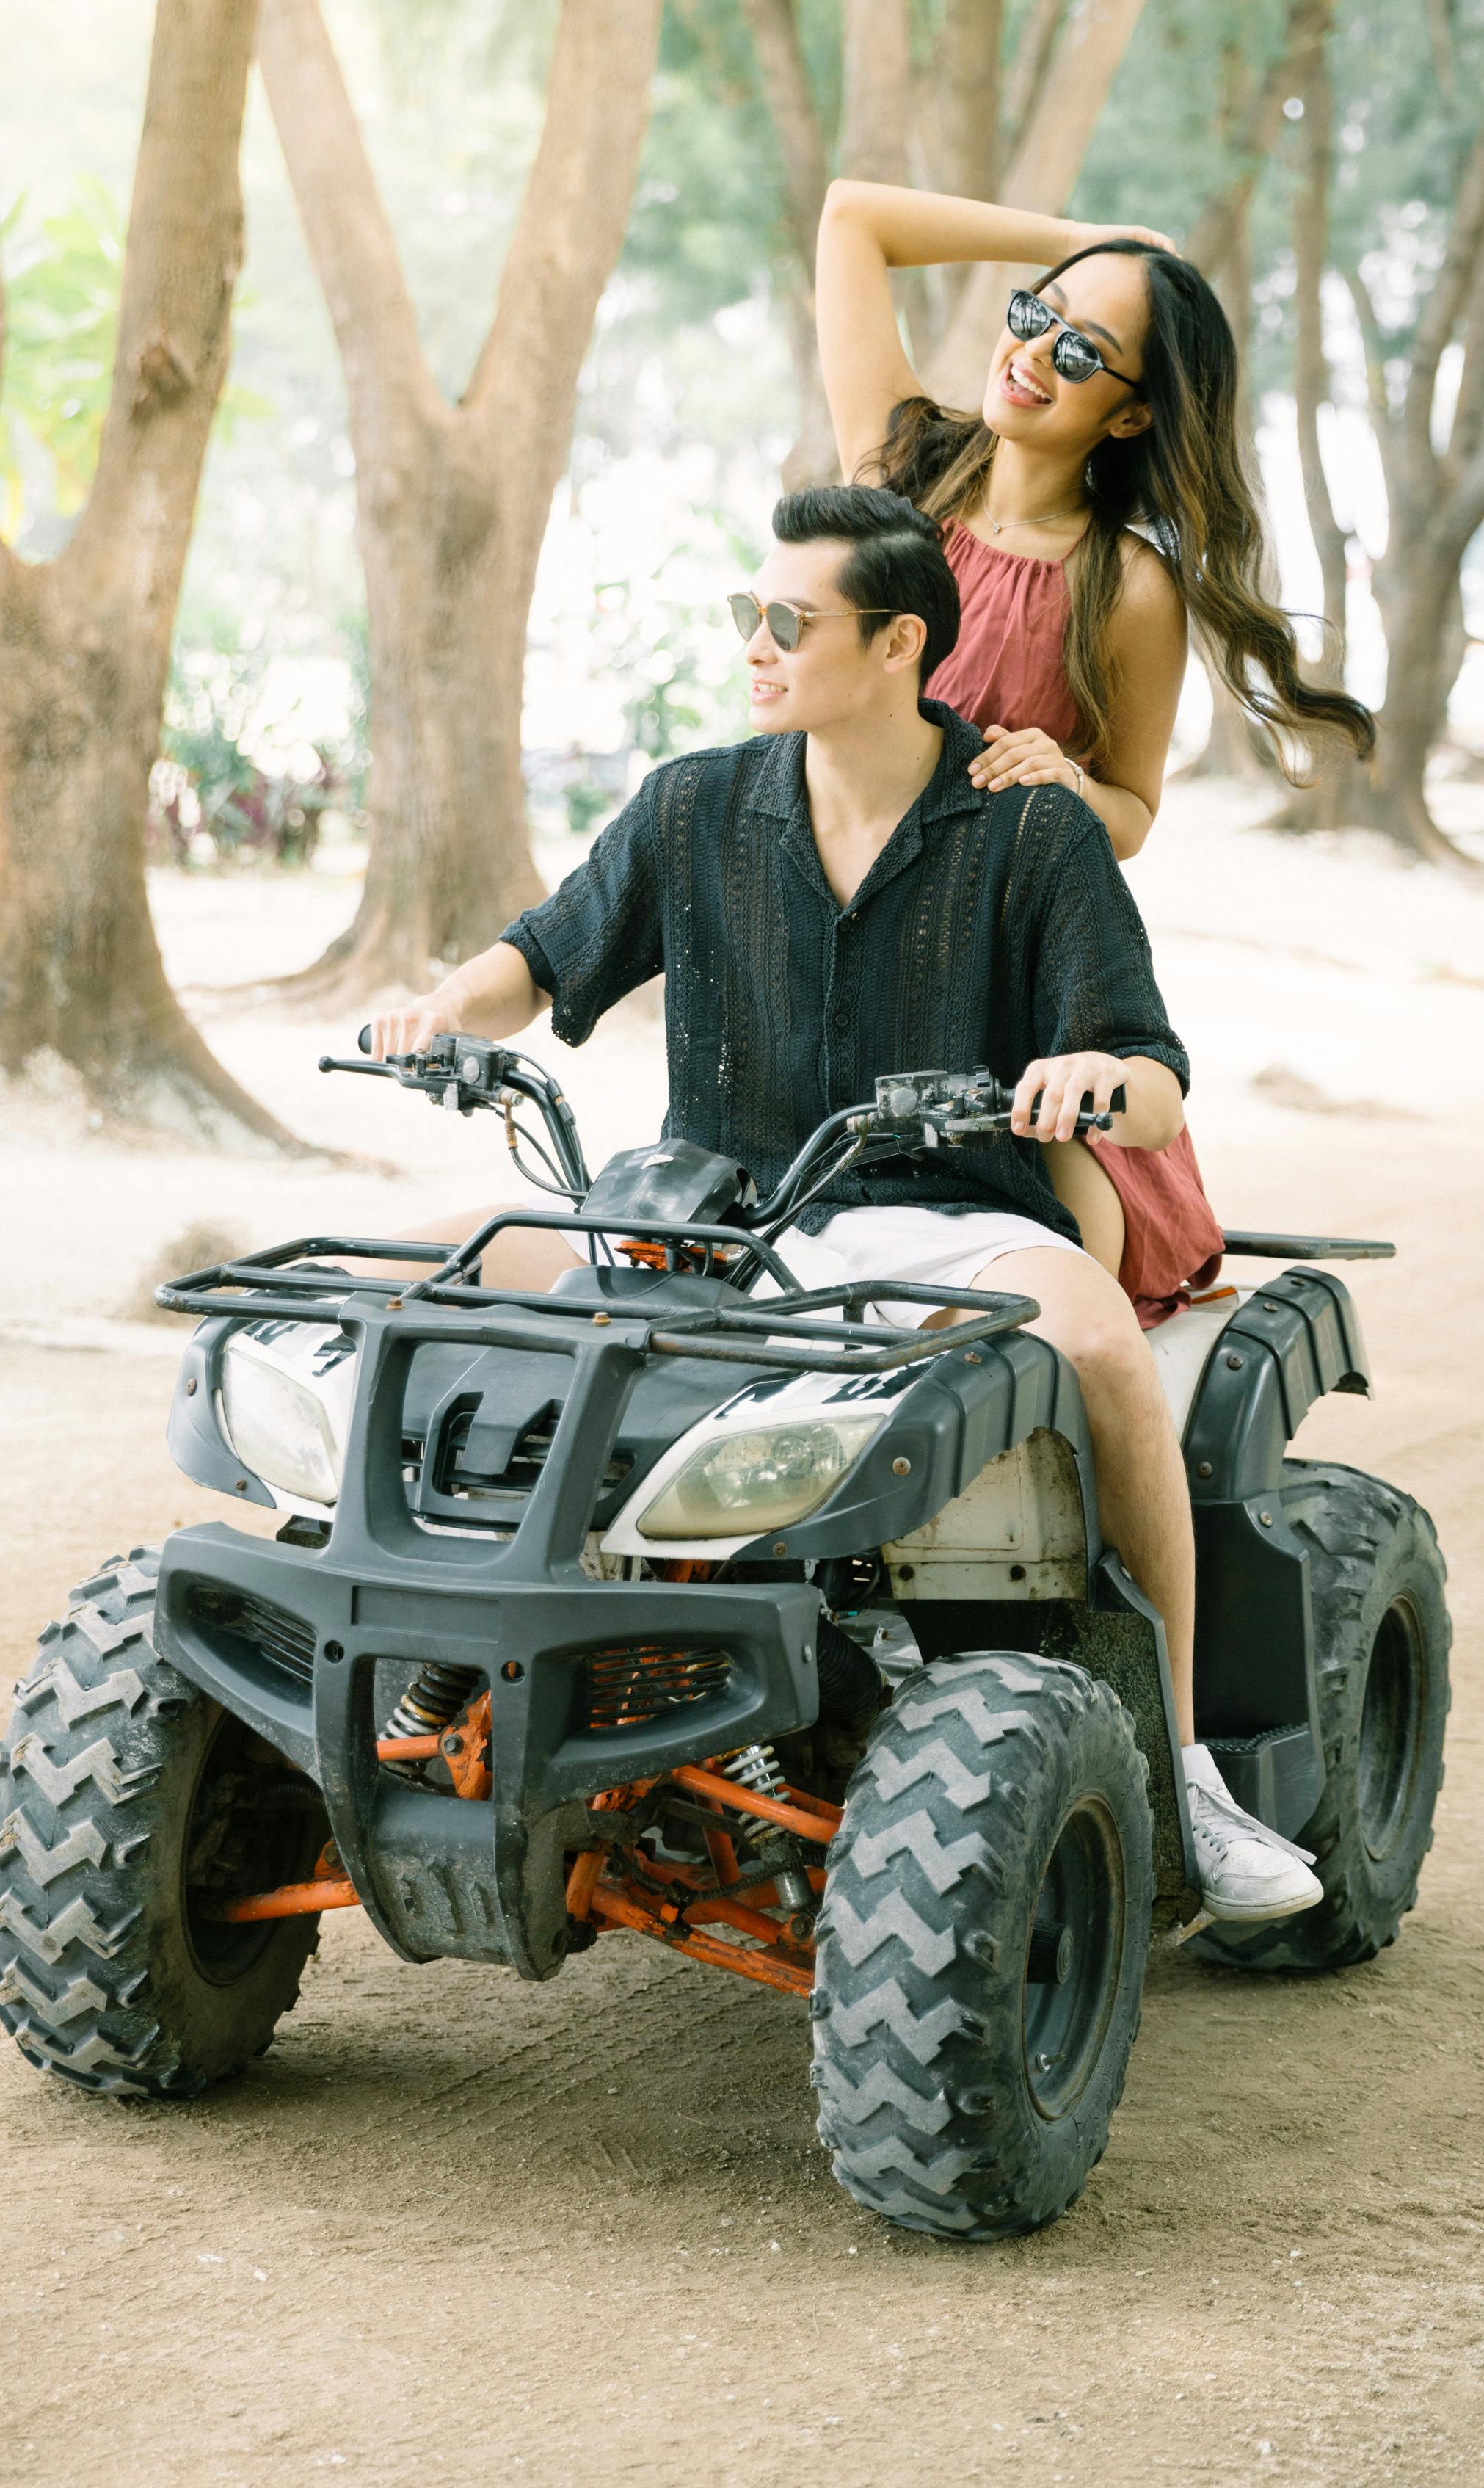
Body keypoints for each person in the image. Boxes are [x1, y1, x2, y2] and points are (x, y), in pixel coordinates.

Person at [371, 483, 1320, 1924]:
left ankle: (1181, 1763)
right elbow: (546, 950)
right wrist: (448, 1008)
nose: (754, 644)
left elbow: (1154, 1079)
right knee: (445, 1285)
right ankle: (454, 1646)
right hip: (710, 1216)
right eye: (747, 615)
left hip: (943, 1208)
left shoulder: (1026, 828)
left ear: (896, 643)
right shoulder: (694, 802)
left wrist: (1084, 1077)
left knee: (1108, 1351)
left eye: (786, 621)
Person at [814, 179, 1377, 1327]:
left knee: (1044, 1318)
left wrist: (1071, 783)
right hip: (833, 970)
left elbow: (1131, 809)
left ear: (1130, 414)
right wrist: (1087, 244)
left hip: (1011, 1015)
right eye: (1035, 317)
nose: (1034, 355)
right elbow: (851, 219)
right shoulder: (900, 477)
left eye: (1084, 353)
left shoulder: (1127, 585)